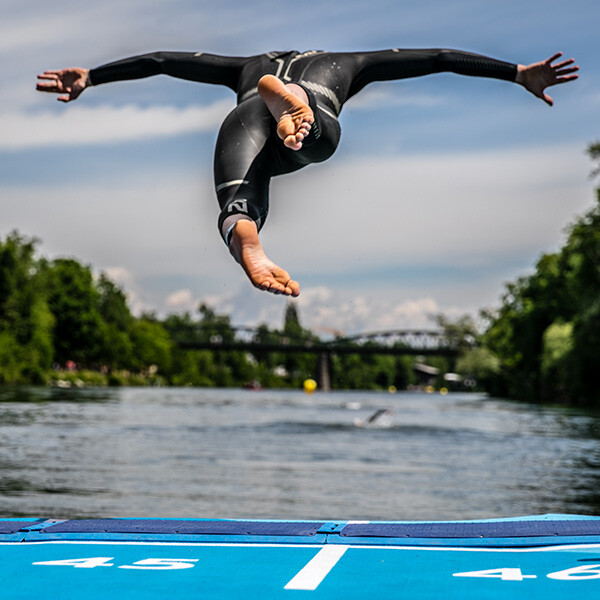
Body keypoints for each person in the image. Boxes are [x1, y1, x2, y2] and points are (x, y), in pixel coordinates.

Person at [37, 48, 578, 297]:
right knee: (313, 142)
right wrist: (515, 73)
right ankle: (297, 109)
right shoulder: (351, 64)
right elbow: (436, 58)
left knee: (238, 199)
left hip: (246, 112)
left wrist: (93, 76)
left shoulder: (243, 66)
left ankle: (249, 240)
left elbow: (160, 61)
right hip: (309, 112)